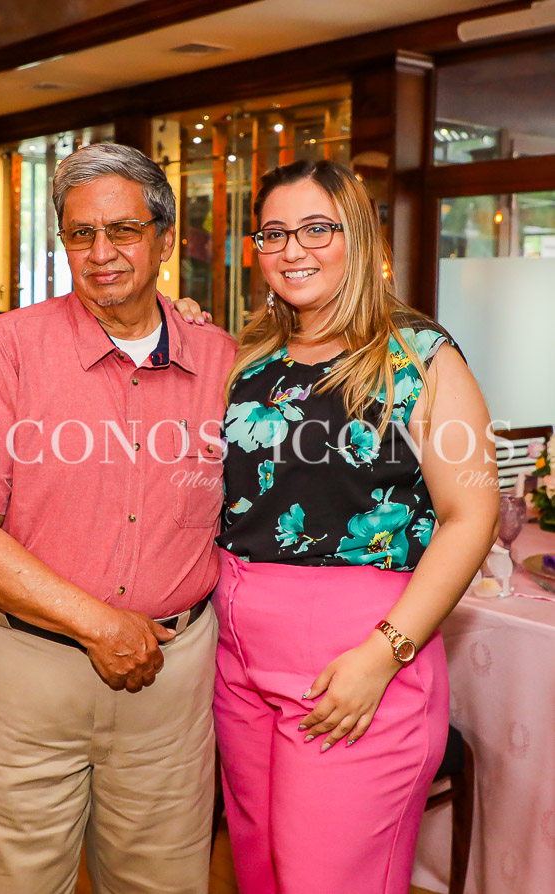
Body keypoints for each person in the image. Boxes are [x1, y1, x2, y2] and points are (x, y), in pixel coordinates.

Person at [0, 142, 237, 894]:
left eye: (123, 231)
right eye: (80, 234)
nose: (101, 253)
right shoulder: (7, 347)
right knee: (16, 883)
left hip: (172, 680)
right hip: (31, 672)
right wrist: (99, 625)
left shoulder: (222, 359)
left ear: (164, 239)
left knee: (164, 883)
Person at [212, 159, 499, 894]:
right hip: (237, 659)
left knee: (329, 879)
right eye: (274, 233)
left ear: (360, 237)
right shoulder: (251, 359)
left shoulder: (418, 356)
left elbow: (471, 516)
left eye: (317, 229)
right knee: (260, 870)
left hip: (358, 655)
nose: (293, 250)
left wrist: (383, 654)